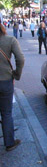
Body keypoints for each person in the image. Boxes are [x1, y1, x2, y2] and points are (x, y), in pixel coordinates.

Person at [0, 23, 24, 152]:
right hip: (5, 80)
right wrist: (16, 74)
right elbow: (20, 59)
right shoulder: (10, 40)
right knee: (6, 113)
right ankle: (9, 142)